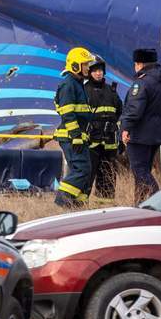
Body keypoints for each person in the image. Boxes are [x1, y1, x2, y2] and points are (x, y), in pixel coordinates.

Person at [121, 48, 161, 203]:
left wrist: (125, 128)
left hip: (139, 135)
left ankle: (160, 200)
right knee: (143, 173)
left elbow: (134, 110)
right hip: (157, 134)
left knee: (140, 171)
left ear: (139, 64)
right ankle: (141, 205)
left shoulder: (142, 83)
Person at [53, 47, 94, 207]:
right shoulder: (68, 84)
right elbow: (68, 113)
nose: (88, 68)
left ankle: (78, 205)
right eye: (85, 65)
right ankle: (62, 201)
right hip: (71, 137)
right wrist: (76, 136)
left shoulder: (78, 84)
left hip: (77, 137)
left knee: (86, 170)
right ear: (75, 65)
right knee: (81, 170)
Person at [81, 54, 123, 201]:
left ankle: (105, 208)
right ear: (89, 72)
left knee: (108, 179)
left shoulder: (111, 91)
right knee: (86, 177)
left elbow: (119, 113)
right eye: (95, 70)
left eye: (101, 70)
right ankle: (79, 207)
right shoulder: (83, 91)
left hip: (109, 144)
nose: (98, 73)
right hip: (91, 143)